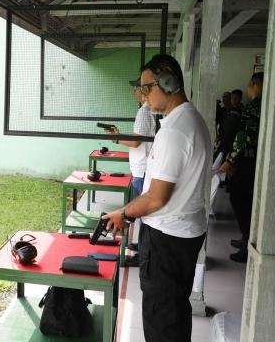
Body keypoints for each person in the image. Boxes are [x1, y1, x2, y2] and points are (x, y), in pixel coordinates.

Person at [102, 54, 211, 342]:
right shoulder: (190, 120)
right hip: (182, 233)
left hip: (167, 240)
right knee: (173, 311)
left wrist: (123, 214)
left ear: (169, 82)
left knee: (161, 316)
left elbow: (156, 197)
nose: (143, 94)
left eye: (148, 87)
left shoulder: (175, 131)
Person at [107, 75, 156, 266]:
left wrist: (116, 138)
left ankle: (143, 255)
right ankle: (142, 248)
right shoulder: (146, 110)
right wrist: (119, 136)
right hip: (143, 168)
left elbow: (136, 141)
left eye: (135, 88)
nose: (134, 92)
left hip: (142, 170)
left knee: (144, 214)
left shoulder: (144, 112)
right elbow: (139, 137)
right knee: (144, 216)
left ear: (142, 91)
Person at [217, 72, 264, 262]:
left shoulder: (253, 107)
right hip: (256, 160)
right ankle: (247, 238)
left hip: (248, 161)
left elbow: (244, 136)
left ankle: (247, 242)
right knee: (248, 201)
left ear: (253, 85)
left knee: (240, 199)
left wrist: (231, 160)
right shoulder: (266, 105)